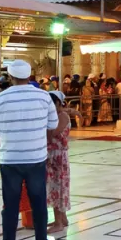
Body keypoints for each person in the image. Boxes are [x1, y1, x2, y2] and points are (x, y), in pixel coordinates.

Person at [0, 59, 59, 240]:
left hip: (10, 160)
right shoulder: (44, 97)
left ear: (10, 77)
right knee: (38, 202)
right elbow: (53, 124)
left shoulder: (0, 99)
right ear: (29, 76)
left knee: (10, 205)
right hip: (36, 158)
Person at [46, 91, 71, 231]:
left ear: (57, 103)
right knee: (56, 186)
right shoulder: (57, 115)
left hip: (58, 156)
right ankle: (62, 218)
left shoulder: (62, 116)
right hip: (53, 155)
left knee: (58, 187)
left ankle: (58, 223)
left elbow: (52, 133)